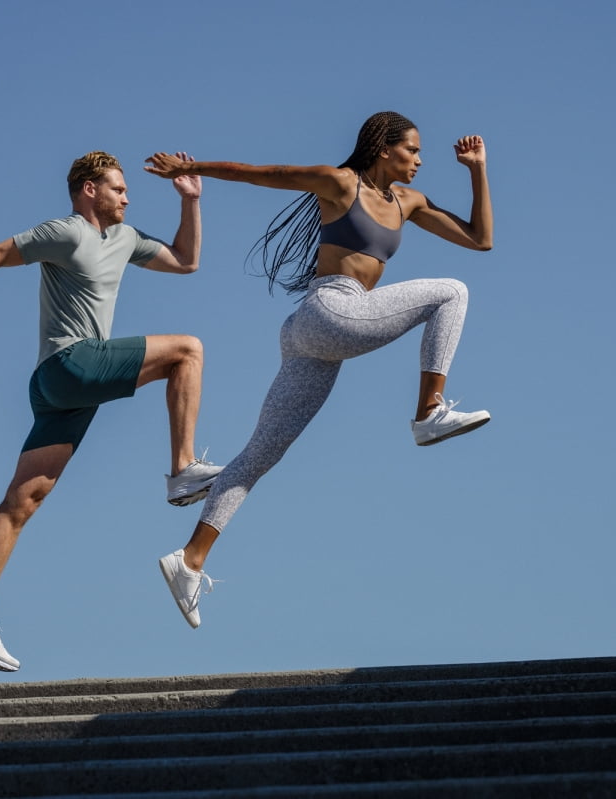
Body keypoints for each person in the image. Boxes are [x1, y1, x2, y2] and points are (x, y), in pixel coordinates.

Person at [143, 111, 493, 629]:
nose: (419, 161)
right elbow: (261, 173)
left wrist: (477, 170)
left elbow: (480, 239)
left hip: (311, 336)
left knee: (261, 454)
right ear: (382, 148)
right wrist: (188, 170)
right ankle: (428, 411)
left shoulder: (409, 202)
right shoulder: (339, 183)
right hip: (331, 309)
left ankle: (189, 559)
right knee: (452, 291)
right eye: (412, 150)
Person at [0, 151, 223, 671]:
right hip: (70, 365)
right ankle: (182, 470)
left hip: (64, 391)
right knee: (189, 350)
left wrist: (191, 201)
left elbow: (186, 260)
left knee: (24, 500)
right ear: (89, 190)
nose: (127, 197)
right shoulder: (65, 233)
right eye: (117, 188)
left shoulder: (127, 239)